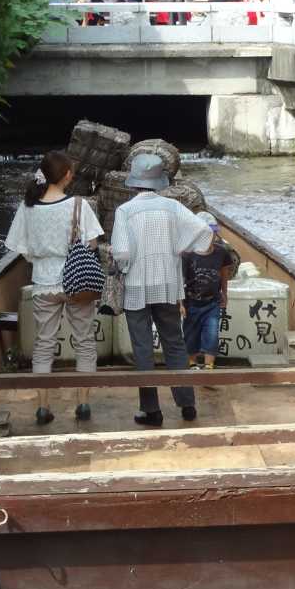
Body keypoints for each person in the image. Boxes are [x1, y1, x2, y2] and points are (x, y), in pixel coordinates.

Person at [110, 153, 215, 425]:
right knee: (174, 343)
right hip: (168, 285)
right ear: (160, 182)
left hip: (136, 286)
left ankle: (151, 410)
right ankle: (187, 403)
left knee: (142, 348)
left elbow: (121, 253)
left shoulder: (125, 211)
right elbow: (204, 231)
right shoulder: (173, 207)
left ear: (134, 182)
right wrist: (179, 247)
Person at [4, 151, 104, 424]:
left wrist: (41, 257)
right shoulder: (78, 206)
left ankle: (43, 408)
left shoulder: (28, 206)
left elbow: (19, 246)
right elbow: (92, 245)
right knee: (84, 341)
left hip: (44, 282)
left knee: (44, 344)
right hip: (77, 282)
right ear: (67, 175)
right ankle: (83, 405)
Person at [181, 212, 240, 373]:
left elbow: (224, 274)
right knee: (190, 334)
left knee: (212, 334)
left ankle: (208, 367)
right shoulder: (187, 255)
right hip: (191, 302)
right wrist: (180, 303)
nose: (211, 237)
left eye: (213, 233)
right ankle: (192, 363)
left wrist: (225, 294)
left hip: (212, 302)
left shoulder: (221, 253)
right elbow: (180, 279)